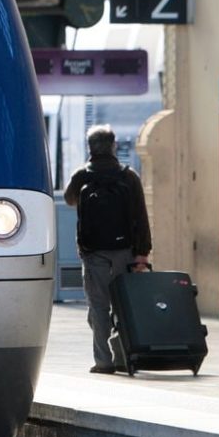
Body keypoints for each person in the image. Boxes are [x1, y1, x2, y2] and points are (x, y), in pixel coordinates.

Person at [64, 125, 152, 375]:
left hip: (94, 254)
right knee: (123, 306)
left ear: (90, 148)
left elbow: (71, 200)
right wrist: (142, 252)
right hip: (125, 252)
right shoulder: (129, 176)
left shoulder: (82, 176)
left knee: (98, 307)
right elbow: (141, 217)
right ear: (113, 147)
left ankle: (104, 361)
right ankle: (125, 356)